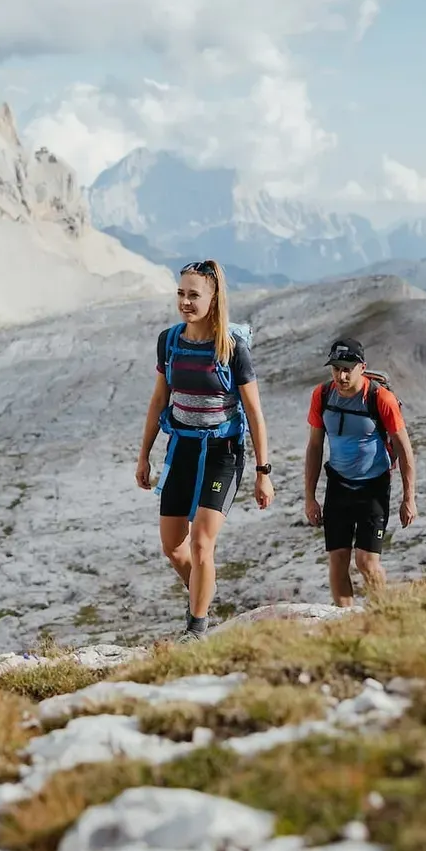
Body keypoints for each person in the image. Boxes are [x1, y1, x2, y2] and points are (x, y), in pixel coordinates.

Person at [136, 259, 275, 637]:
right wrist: (144, 455)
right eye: (181, 293)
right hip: (181, 449)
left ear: (213, 299)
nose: (185, 301)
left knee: (201, 545)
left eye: (194, 295)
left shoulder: (233, 350)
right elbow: (158, 400)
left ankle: (196, 630)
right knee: (174, 549)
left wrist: (263, 474)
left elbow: (255, 413)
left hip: (222, 453)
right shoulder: (169, 341)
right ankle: (203, 590)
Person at [304, 337, 417, 607]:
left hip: (373, 489)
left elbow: (405, 450)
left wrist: (408, 498)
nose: (341, 376)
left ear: (361, 368)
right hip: (338, 487)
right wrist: (310, 497)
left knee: (366, 562)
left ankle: (383, 609)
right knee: (338, 559)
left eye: (347, 369)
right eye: (335, 369)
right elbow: (315, 446)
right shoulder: (321, 396)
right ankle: (346, 621)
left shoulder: (381, 399)